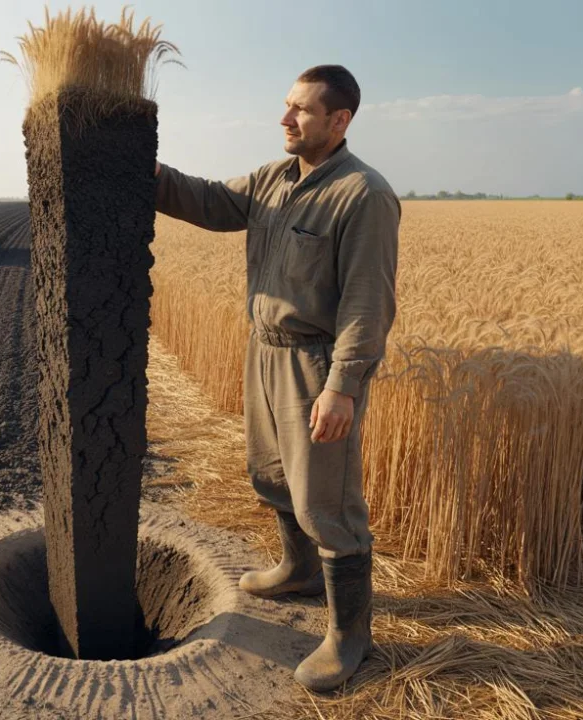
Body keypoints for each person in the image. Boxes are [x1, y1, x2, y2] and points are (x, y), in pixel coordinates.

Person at [154, 64, 400, 692]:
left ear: (339, 121)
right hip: (262, 351)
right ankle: (297, 569)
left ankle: (349, 635)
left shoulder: (363, 195)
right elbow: (209, 201)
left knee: (327, 502)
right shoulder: (271, 179)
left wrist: (342, 386)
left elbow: (368, 301)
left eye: (301, 111)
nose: (285, 119)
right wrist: (141, 168)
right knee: (269, 474)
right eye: (286, 106)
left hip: (314, 365)